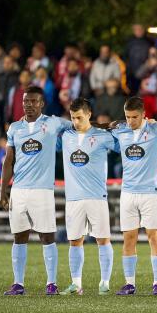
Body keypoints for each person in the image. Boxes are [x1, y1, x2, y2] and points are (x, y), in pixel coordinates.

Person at [0, 86, 74, 295]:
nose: (28, 105)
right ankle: (18, 284)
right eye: (25, 101)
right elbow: (9, 160)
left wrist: (106, 126)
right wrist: (2, 190)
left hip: (42, 190)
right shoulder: (14, 127)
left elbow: (80, 124)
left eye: (33, 101)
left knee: (47, 236)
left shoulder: (53, 122)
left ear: (41, 103)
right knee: (19, 237)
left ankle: (51, 283)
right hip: (19, 190)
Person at [111, 97, 157, 295]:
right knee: (129, 238)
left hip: (150, 193)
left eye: (134, 117)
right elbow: (101, 129)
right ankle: (130, 284)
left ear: (144, 114)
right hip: (128, 192)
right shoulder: (121, 131)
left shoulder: (155, 129)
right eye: (127, 117)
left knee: (154, 237)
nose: (130, 121)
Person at [57, 98, 118, 295]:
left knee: (102, 239)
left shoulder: (103, 136)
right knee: (75, 240)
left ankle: (105, 283)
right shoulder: (66, 136)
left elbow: (125, 143)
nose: (75, 122)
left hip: (96, 196)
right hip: (73, 197)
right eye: (73, 118)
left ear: (89, 115)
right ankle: (76, 284)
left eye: (79, 117)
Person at [125, 24, 152, 95]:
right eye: (136, 30)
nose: (138, 31)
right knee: (133, 94)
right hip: (132, 74)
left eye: (140, 29)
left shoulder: (149, 41)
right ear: (133, 31)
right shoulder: (129, 42)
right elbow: (126, 57)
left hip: (146, 72)